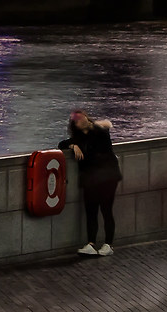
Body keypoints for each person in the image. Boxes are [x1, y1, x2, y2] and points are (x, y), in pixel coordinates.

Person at [62, 109, 121, 256]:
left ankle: (108, 245)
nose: (80, 121)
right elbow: (62, 144)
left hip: (108, 177)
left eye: (82, 118)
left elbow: (104, 128)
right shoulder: (79, 138)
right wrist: (73, 146)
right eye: (77, 121)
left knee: (106, 209)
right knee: (91, 211)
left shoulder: (100, 132)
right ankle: (91, 244)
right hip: (90, 179)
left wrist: (78, 141)